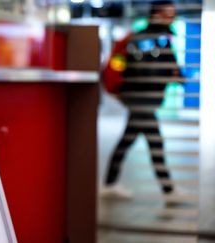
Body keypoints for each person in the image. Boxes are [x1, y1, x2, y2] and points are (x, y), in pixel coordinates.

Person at [101, 0, 181, 200]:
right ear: (157, 13)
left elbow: (168, 65)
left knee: (128, 141)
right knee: (155, 142)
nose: (172, 16)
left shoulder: (161, 38)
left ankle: (110, 183)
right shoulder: (147, 39)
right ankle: (168, 190)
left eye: (173, 12)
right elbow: (144, 69)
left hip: (143, 99)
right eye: (168, 12)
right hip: (140, 98)